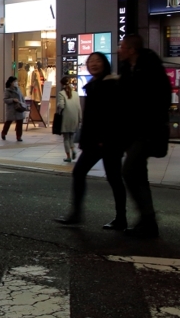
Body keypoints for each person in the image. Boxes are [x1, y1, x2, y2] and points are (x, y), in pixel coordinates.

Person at [54, 52, 127, 230]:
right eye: (90, 61)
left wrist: (103, 138)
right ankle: (78, 213)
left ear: (105, 64)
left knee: (114, 178)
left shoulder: (110, 84)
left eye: (97, 61)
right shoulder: (94, 84)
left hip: (107, 141)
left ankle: (120, 218)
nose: (93, 64)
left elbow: (110, 115)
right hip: (95, 141)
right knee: (83, 173)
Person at [117, 34, 171, 238]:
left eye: (122, 47)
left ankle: (147, 219)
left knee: (129, 170)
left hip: (148, 130)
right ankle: (147, 221)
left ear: (131, 50)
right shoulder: (127, 69)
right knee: (138, 174)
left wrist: (150, 121)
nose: (119, 49)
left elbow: (161, 97)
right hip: (134, 131)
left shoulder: (150, 67)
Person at [56, 76, 81, 162]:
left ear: (61, 84)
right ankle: (73, 149)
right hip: (75, 117)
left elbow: (62, 106)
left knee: (66, 138)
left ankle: (68, 156)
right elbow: (79, 107)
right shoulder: (76, 93)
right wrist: (80, 119)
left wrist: (58, 105)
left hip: (66, 118)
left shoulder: (61, 93)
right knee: (71, 136)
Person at [1, 76, 26, 141]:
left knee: (20, 122)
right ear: (11, 82)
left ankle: (19, 136)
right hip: (11, 109)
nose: (16, 83)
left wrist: (23, 104)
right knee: (8, 122)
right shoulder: (7, 90)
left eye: (16, 81)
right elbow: (5, 100)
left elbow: (22, 97)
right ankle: (4, 133)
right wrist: (12, 100)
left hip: (19, 108)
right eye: (14, 81)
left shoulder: (18, 89)